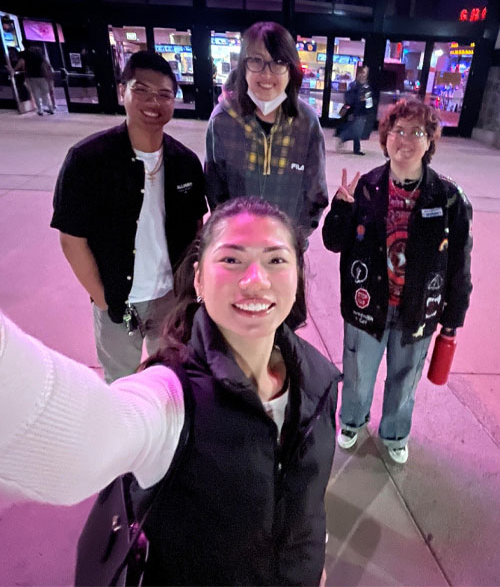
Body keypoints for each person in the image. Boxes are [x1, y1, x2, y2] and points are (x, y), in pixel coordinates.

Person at [0, 197, 340, 586]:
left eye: (276, 260)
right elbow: (83, 440)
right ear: (198, 279)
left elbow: (307, 501)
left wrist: (314, 561)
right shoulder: (172, 397)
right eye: (231, 260)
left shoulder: (316, 377)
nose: (255, 280)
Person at [323, 100, 472, 464]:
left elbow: (459, 265)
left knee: (405, 379)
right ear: (385, 137)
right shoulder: (366, 187)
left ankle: (394, 431)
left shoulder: (450, 198)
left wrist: (453, 318)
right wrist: (340, 208)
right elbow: (333, 242)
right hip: (366, 305)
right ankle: (352, 421)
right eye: (397, 131)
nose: (404, 140)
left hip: (419, 309)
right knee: (358, 374)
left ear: (430, 141)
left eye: (416, 132)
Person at [51, 51, 207, 382]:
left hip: (170, 299)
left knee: (172, 374)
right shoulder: (87, 160)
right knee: (121, 378)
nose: (154, 102)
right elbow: (71, 238)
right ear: (123, 91)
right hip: (120, 303)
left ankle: (167, 433)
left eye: (164, 94)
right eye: (142, 90)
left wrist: (188, 291)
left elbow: (197, 230)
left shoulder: (185, 162)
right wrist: (106, 300)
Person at [205, 21, 328, 240]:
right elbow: (216, 193)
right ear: (244, 66)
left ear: (291, 69)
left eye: (278, 62)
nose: (267, 74)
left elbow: (315, 195)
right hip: (238, 245)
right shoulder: (222, 121)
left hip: (285, 250)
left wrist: (291, 242)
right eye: (256, 61)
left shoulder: (306, 123)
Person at [336, 65, 373, 156]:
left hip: (362, 110)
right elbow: (350, 98)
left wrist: (368, 106)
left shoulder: (365, 85)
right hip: (356, 111)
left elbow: (368, 98)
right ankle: (345, 139)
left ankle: (346, 140)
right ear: (359, 73)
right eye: (364, 72)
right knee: (357, 130)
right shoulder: (355, 85)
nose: (365, 74)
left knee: (357, 130)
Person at [14, 45, 55, 116]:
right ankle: (50, 107)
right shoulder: (39, 54)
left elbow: (21, 62)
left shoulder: (26, 54)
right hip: (42, 76)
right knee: (45, 93)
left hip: (31, 76)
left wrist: (14, 69)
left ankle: (40, 109)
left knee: (36, 93)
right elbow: (47, 63)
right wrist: (50, 71)